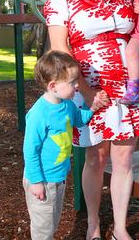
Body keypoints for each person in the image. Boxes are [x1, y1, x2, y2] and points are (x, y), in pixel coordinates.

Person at [44, 0, 139, 240]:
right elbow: (60, 49)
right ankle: (93, 224)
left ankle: (120, 228)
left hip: (130, 85)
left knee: (123, 156)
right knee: (96, 156)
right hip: (88, 84)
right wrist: (86, 92)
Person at [22, 50, 106, 240]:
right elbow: (30, 150)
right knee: (43, 228)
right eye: (72, 82)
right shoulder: (39, 114)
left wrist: (91, 107)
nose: (77, 86)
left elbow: (78, 120)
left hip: (58, 178)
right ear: (53, 86)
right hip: (42, 180)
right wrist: (35, 182)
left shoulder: (66, 104)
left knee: (52, 221)